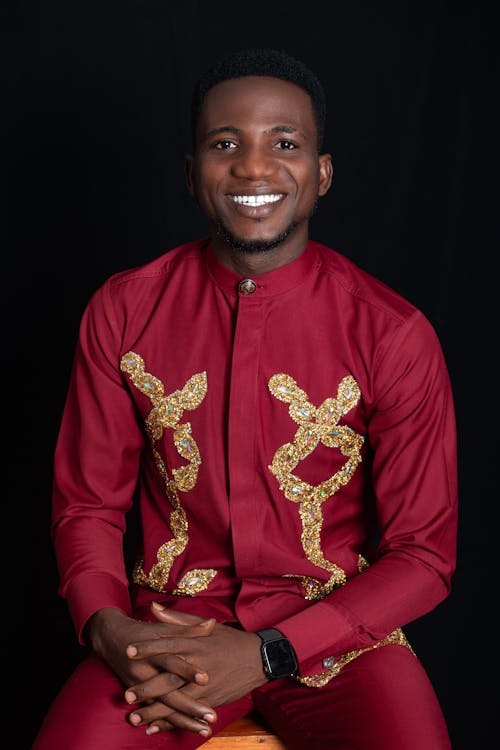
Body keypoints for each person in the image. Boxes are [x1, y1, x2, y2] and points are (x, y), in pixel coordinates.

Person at [33, 48, 457, 750]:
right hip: (165, 636)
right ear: (192, 173)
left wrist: (269, 653)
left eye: (283, 144)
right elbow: (86, 505)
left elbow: (424, 555)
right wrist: (109, 629)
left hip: (342, 644)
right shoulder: (123, 310)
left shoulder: (393, 333)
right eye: (224, 144)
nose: (254, 168)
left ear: (321, 173)